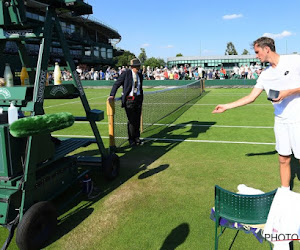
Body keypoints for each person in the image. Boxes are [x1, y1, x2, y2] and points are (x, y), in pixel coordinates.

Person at [212, 36, 300, 190]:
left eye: (257, 51)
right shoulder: (265, 74)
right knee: (283, 158)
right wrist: (226, 106)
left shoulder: (294, 60)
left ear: (267, 49)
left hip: (298, 119)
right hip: (280, 121)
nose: (256, 55)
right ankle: (284, 194)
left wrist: (287, 93)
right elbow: (251, 97)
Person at [108, 58, 144, 146]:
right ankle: (131, 139)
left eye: (138, 66)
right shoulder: (126, 73)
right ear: (132, 67)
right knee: (131, 120)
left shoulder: (140, 75)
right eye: (136, 67)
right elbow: (117, 84)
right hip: (129, 100)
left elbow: (140, 87)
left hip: (138, 99)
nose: (138, 68)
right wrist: (112, 95)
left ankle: (137, 138)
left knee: (137, 120)